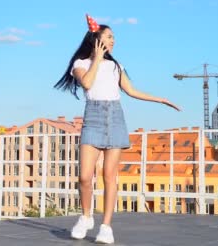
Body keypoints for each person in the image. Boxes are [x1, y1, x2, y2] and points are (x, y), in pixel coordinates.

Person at [54, 14, 180, 244]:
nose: (113, 41)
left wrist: (161, 100)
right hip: (92, 117)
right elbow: (88, 83)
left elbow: (131, 91)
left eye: (113, 38)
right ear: (96, 39)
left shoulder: (116, 66)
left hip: (115, 117)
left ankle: (106, 226)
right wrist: (97, 59)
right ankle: (86, 217)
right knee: (84, 177)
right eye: (109, 37)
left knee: (109, 176)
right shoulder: (80, 64)